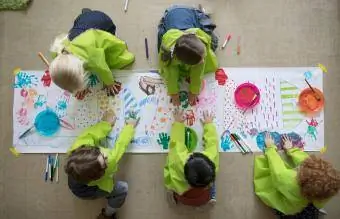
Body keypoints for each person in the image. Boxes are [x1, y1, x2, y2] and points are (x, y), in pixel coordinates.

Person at [65, 110, 139, 219]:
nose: (105, 156)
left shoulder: (79, 145)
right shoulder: (110, 163)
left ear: (87, 147)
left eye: (99, 153)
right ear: (101, 172)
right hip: (87, 191)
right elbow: (120, 147)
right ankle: (107, 214)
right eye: (104, 161)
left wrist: (106, 124)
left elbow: (91, 133)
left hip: (75, 182)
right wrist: (129, 127)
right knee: (122, 189)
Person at [49, 9, 135, 100]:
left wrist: (109, 83)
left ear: (84, 70)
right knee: (84, 22)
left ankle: (91, 15)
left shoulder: (91, 57)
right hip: (83, 21)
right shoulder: (58, 52)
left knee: (112, 59)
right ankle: (87, 13)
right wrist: (79, 86)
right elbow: (66, 76)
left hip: (103, 23)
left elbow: (103, 68)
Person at [254, 133, 340, 218]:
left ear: (301, 180)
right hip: (309, 204)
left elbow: (277, 171)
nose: (299, 167)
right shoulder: (326, 191)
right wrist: (291, 149)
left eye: (300, 168)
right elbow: (306, 160)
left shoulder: (288, 181)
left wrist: (270, 148)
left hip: (289, 209)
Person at [157, 5, 219, 106]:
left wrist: (194, 92)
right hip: (171, 16)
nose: (203, 61)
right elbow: (170, 75)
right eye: (201, 60)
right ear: (184, 62)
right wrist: (174, 94)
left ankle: (200, 13)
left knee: (213, 42)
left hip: (190, 14)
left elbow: (197, 74)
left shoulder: (199, 37)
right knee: (160, 42)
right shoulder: (169, 55)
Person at [164, 109, 219, 206]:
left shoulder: (179, 161)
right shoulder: (212, 160)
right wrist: (209, 124)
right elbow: (213, 144)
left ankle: (172, 191)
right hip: (203, 193)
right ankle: (212, 195)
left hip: (181, 191)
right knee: (213, 182)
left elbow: (176, 143)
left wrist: (178, 123)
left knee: (170, 160)